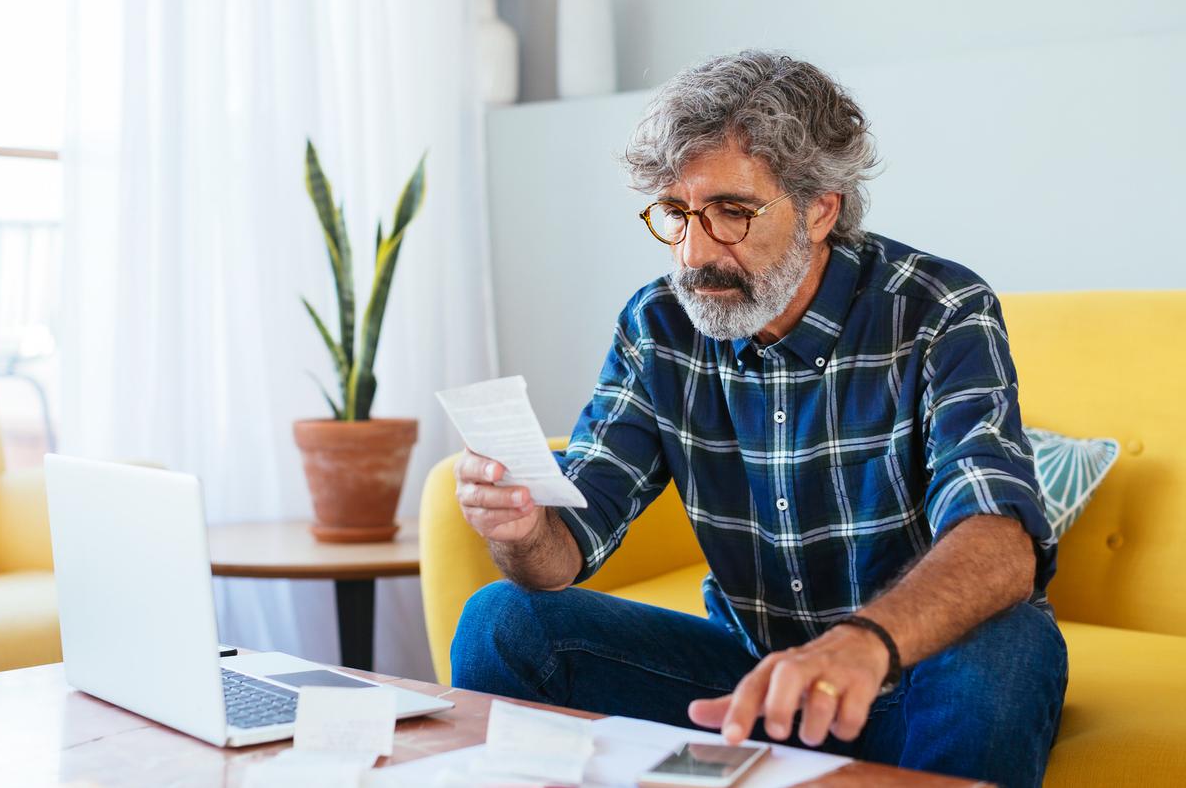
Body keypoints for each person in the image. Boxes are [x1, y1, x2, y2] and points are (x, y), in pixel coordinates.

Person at [449, 50, 1066, 788]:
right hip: (751, 680)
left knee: (1014, 641)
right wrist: (523, 531)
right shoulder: (658, 325)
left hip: (914, 673)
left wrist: (862, 644)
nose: (693, 252)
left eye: (731, 214)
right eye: (676, 213)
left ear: (822, 207)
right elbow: (565, 550)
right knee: (503, 620)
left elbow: (1001, 538)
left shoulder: (939, 310)